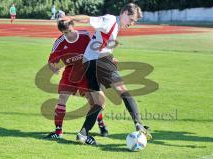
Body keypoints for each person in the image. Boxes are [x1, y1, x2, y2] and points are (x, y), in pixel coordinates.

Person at [60, 3, 152, 145]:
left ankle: (83, 134)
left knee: (99, 103)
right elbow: (88, 19)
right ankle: (139, 124)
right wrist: (70, 18)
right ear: (125, 13)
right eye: (132, 19)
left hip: (89, 63)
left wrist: (110, 55)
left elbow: (100, 43)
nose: (132, 23)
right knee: (123, 90)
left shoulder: (114, 26)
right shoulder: (110, 20)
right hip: (99, 61)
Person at [45, 19, 108, 139]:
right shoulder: (60, 42)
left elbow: (98, 49)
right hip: (70, 72)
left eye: (69, 31)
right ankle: (58, 132)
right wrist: (52, 67)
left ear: (73, 26)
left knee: (93, 101)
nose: (68, 34)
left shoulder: (85, 36)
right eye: (65, 33)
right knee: (62, 97)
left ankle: (101, 124)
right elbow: (51, 59)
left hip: (86, 71)